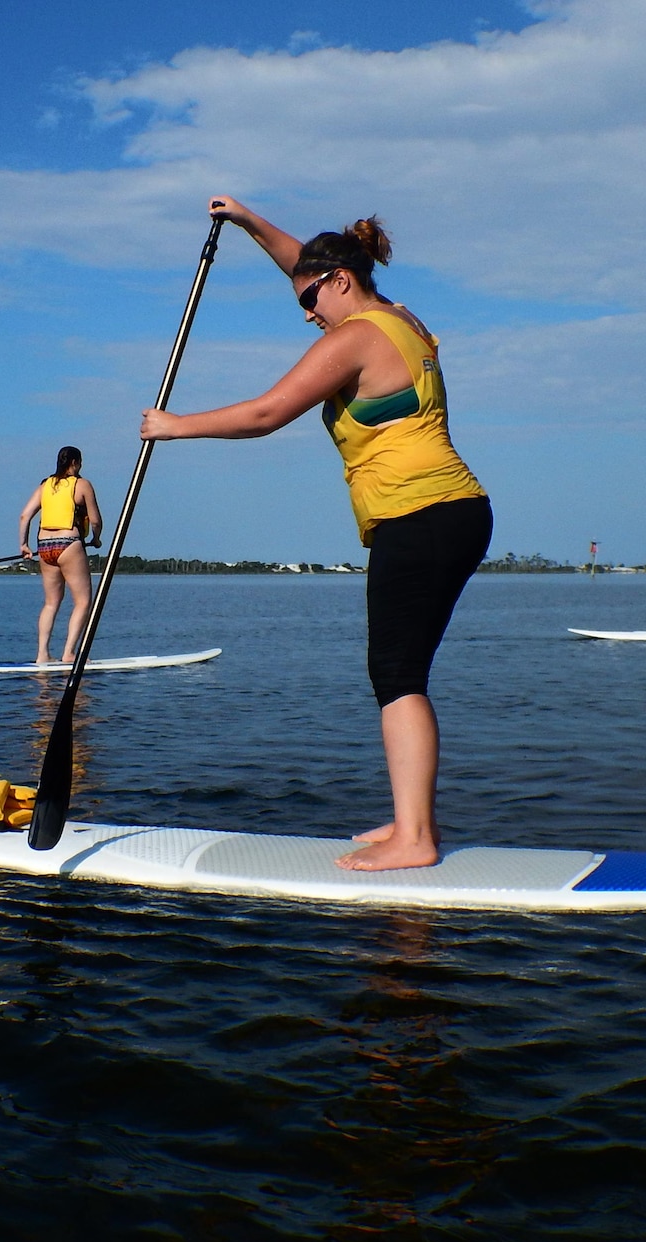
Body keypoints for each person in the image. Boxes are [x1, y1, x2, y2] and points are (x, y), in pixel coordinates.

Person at [140, 197, 492, 871]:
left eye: (310, 297)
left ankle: (416, 838)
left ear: (341, 282)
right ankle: (411, 821)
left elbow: (268, 412)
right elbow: (305, 264)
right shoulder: (399, 318)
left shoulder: (354, 336)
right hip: (451, 511)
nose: (305, 312)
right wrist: (246, 221)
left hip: (420, 514)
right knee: (398, 672)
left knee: (396, 674)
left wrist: (174, 425)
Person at [17, 446, 102, 664]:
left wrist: (24, 545)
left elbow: (25, 516)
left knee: (51, 603)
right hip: (69, 544)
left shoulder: (45, 485)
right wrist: (96, 539)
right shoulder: (82, 485)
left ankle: (42, 655)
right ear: (74, 462)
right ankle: (69, 654)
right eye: (80, 462)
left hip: (44, 546)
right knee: (83, 602)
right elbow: (95, 520)